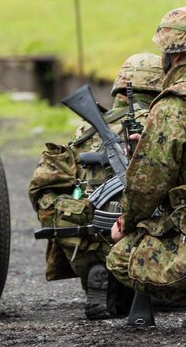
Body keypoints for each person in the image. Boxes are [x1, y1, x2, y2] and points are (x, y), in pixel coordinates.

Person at [28, 53, 164, 319]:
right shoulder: (164, 127)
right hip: (154, 248)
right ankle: (155, 284)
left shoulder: (85, 132)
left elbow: (43, 191)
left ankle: (99, 272)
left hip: (89, 246)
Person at [106, 8, 186, 303]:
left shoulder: (173, 105)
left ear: (174, 54)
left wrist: (126, 224)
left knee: (122, 256)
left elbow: (147, 184)